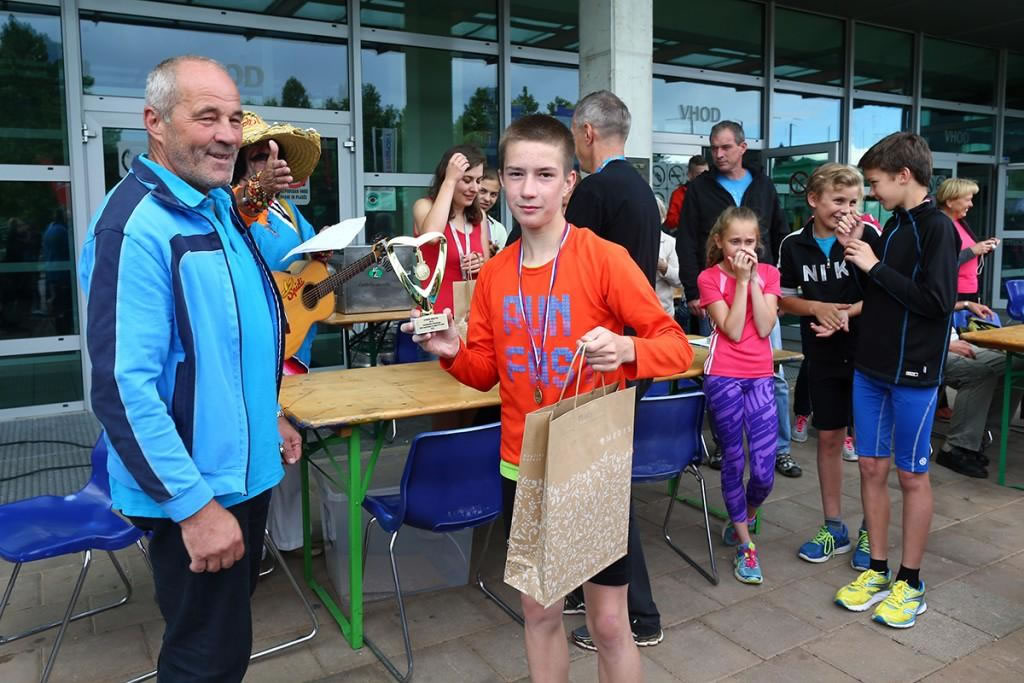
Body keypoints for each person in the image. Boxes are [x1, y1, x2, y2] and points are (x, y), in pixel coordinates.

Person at [402, 113, 692, 682]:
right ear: (501, 182)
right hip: (523, 465)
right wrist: (450, 350)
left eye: (544, 175)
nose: (528, 190)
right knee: (538, 614)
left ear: (569, 184)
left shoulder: (603, 258)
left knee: (609, 623)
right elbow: (485, 373)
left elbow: (676, 346)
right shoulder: (495, 274)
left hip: (591, 464)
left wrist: (627, 349)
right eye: (515, 175)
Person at [78, 55, 303, 681]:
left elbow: (227, 342)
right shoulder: (135, 228)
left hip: (241, 473)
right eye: (207, 117)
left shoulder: (215, 206)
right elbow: (122, 390)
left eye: (234, 118)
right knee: (204, 659)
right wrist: (194, 509)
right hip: (198, 490)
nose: (228, 135)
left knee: (224, 644)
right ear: (155, 122)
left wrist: (269, 413)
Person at [834, 132, 958, 629]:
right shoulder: (893, 225)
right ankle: (878, 571)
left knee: (911, 476)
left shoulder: (938, 229)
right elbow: (880, 291)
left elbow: (937, 302)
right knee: (870, 468)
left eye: (875, 182)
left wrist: (875, 264)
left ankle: (911, 582)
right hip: (872, 368)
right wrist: (855, 248)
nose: (871, 191)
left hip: (915, 375)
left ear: (904, 175)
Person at [564, 89, 667, 651]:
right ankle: (593, 589)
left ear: (586, 133)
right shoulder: (641, 190)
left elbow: (563, 272)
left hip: (601, 360)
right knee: (596, 486)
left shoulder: (595, 191)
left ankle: (639, 615)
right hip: (629, 350)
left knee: (603, 491)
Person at [674, 121, 799, 478]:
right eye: (714, 148)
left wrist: (773, 283)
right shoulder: (700, 187)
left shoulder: (763, 184)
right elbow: (687, 238)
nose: (718, 154)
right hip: (716, 287)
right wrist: (693, 290)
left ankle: (779, 449)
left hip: (761, 285)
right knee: (717, 370)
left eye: (726, 147)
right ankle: (724, 446)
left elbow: (779, 230)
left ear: (743, 148)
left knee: (773, 372)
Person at [231, 111, 323, 555]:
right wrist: (255, 192)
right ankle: (254, 543)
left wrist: (322, 252)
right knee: (259, 438)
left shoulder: (287, 208)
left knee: (290, 439)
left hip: (295, 335)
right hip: (258, 339)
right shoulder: (227, 205)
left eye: (275, 155)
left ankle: (288, 538)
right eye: (258, 156)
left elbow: (304, 256)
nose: (269, 163)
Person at [777, 163, 873, 569]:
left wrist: (847, 313)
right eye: (838, 200)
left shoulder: (869, 236)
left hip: (868, 356)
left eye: (853, 201)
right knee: (829, 439)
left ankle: (872, 530)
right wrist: (817, 307)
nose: (846, 209)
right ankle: (834, 527)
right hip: (822, 356)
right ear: (813, 200)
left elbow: (884, 292)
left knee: (869, 450)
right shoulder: (793, 245)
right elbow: (783, 299)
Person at [698, 206, 780, 584]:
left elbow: (763, 327)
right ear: (720, 242)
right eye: (735, 241)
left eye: (750, 241)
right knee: (733, 458)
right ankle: (746, 544)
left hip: (760, 375)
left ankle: (744, 514)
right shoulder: (709, 278)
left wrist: (755, 281)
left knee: (764, 470)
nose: (743, 249)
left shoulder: (770, 274)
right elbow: (731, 329)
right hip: (723, 375)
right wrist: (742, 283)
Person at [937, 299, 1024, 478]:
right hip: (929, 351)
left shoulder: (938, 283)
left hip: (956, 343)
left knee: (1016, 364)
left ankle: (984, 436)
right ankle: (955, 448)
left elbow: (940, 303)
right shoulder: (907, 284)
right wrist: (944, 345)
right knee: (980, 374)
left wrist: (966, 304)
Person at [413, 145, 490, 319]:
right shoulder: (424, 206)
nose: (475, 188)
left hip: (473, 316)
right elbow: (432, 237)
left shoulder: (479, 216)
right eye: (467, 180)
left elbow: (487, 267)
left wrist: (479, 263)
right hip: (437, 317)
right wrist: (449, 181)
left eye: (478, 181)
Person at [936, 178, 999, 303]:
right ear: (949, 202)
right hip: (953, 292)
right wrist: (973, 250)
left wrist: (985, 248)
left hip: (970, 290)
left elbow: (968, 256)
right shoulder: (939, 225)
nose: (971, 204)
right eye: (967, 200)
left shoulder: (959, 222)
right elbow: (941, 263)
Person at [663, 154, 708, 232]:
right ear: (689, 175)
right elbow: (670, 221)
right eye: (700, 174)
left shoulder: (713, 192)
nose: (705, 177)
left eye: (707, 173)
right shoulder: (678, 194)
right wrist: (690, 217)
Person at [654, 196, 683, 317]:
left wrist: (664, 268)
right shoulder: (631, 240)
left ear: (662, 218)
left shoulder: (670, 243)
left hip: (664, 312)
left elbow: (680, 281)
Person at [477, 166, 509, 252]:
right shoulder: (455, 222)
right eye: (482, 191)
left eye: (493, 194)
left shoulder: (498, 230)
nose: (487, 199)